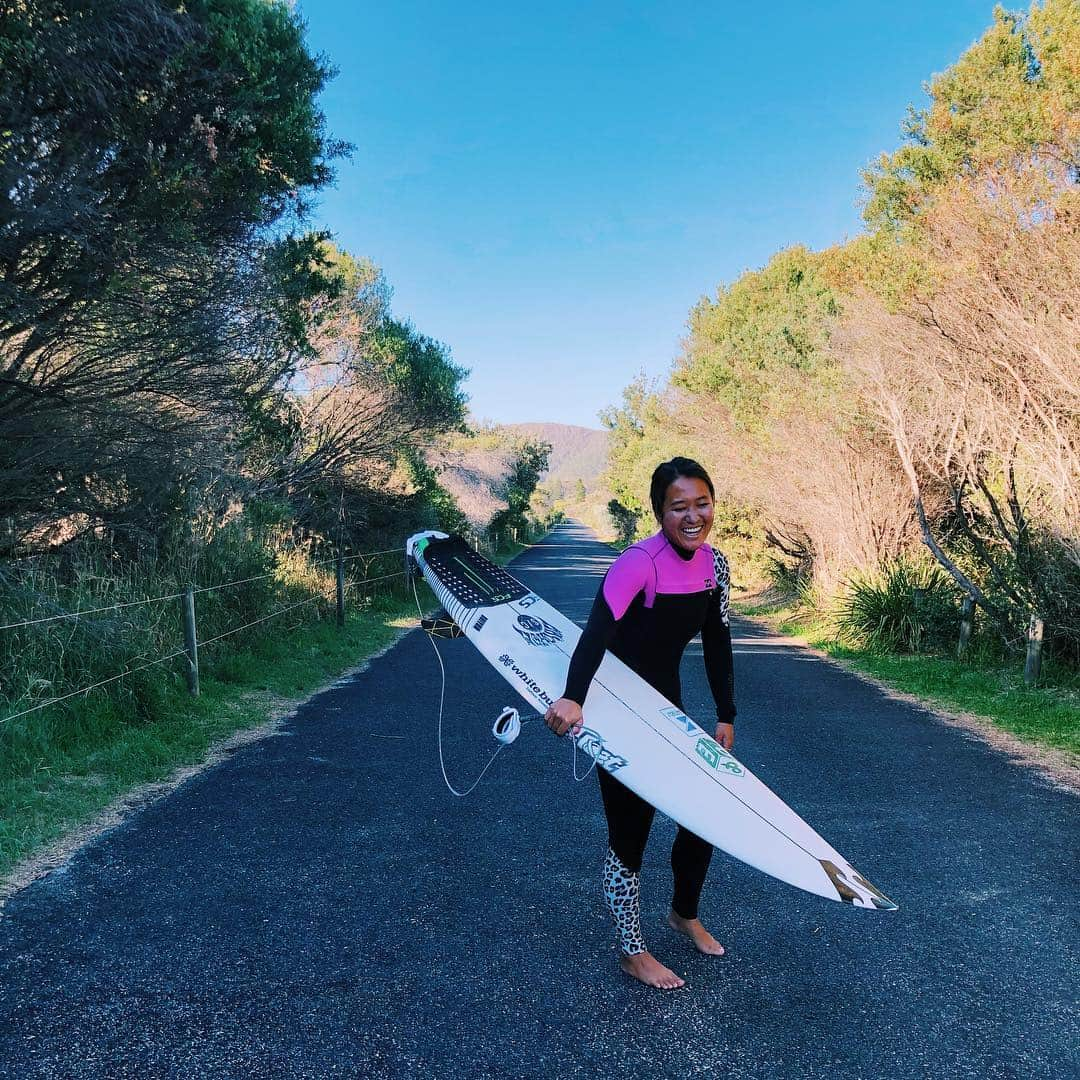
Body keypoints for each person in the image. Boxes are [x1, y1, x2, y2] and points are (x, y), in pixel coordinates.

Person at [544, 457, 736, 991]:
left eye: (702, 503)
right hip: (612, 707)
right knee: (630, 833)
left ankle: (683, 912)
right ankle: (632, 950)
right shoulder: (637, 563)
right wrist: (573, 698)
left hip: (666, 708)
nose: (693, 516)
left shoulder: (715, 567)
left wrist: (725, 712)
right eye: (679, 507)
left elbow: (719, 644)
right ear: (659, 511)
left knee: (704, 812)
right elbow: (596, 633)